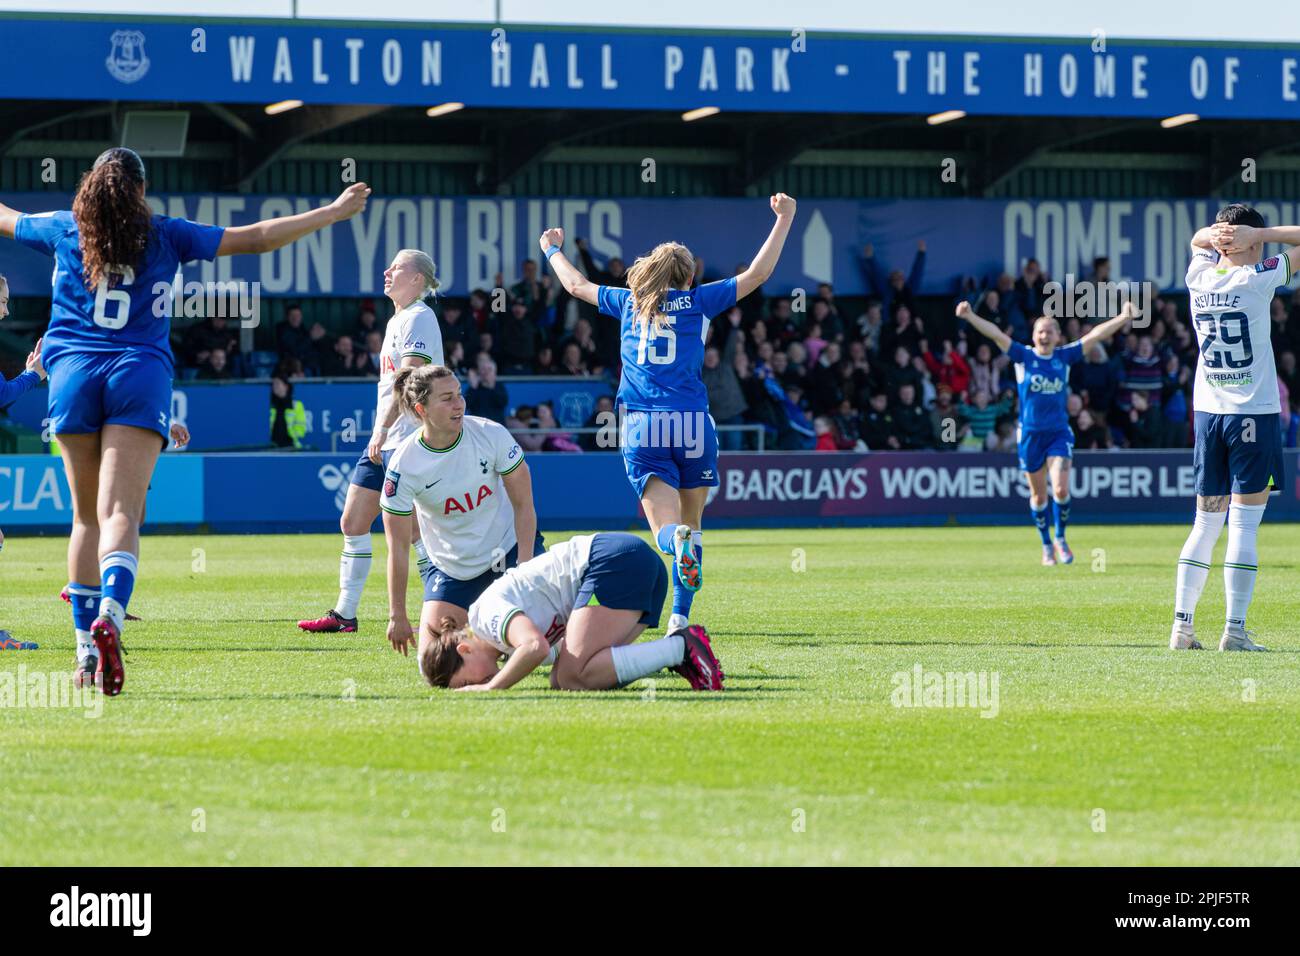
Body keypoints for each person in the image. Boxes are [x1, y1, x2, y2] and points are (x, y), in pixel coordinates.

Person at [0, 147, 370, 695]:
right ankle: (111, 615)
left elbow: (4, 218)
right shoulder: (168, 233)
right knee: (122, 510)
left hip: (73, 372)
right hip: (138, 373)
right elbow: (259, 236)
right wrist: (330, 213)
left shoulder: (62, 228)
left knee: (85, 520)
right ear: (141, 190)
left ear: (90, 188)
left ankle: (83, 654)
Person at [538, 194, 797, 632]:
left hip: (644, 423)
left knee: (667, 531)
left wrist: (552, 249)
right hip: (694, 424)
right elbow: (758, 273)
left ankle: (672, 546)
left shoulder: (628, 303)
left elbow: (576, 286)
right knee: (693, 527)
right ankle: (680, 619)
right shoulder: (700, 302)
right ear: (689, 275)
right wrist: (785, 218)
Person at [1169, 206, 1299, 652]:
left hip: (1208, 412)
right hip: (1255, 414)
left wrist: (1221, 236)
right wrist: (1256, 233)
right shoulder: (1258, 278)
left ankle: (1182, 628)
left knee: (1204, 524)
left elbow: (1196, 242)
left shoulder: (1197, 278)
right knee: (1243, 527)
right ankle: (1235, 631)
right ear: (1253, 242)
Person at [297, 249, 444, 634]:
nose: (386, 271)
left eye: (395, 267)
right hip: (387, 439)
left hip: (408, 439)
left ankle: (445, 609)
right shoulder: (400, 318)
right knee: (354, 520)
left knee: (415, 532)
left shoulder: (420, 318)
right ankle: (345, 615)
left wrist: (381, 430)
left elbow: (410, 381)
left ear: (417, 278)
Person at [417, 533, 723, 692]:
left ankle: (681, 647)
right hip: (633, 565)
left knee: (569, 677)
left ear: (465, 648)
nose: (476, 684)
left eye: (466, 682)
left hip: (614, 563)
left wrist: (492, 687)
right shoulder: (499, 641)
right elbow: (553, 652)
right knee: (575, 675)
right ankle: (681, 656)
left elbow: (535, 647)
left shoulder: (484, 617)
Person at [378, 364, 542, 657]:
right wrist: (397, 615)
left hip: (510, 552)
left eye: (459, 394)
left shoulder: (491, 434)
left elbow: (524, 505)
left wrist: (525, 572)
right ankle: (490, 634)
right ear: (421, 409)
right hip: (453, 571)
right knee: (434, 662)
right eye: (447, 398)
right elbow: (398, 548)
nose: (459, 404)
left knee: (547, 647)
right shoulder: (404, 465)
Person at [956, 297, 1134, 566]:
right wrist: (970, 316)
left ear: (1057, 336)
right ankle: (1046, 544)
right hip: (1030, 436)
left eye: (1050, 331)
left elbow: (1095, 335)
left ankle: (1061, 538)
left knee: (1061, 489)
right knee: (1039, 496)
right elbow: (995, 334)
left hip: (1058, 434)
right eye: (1041, 330)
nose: (1045, 335)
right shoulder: (1023, 356)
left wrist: (1122, 318)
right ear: (1034, 335)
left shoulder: (1064, 357)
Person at [269, 376, 307, 448]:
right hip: (272, 446)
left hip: (291, 446)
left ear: (286, 386)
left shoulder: (296, 405)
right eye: (273, 385)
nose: (275, 387)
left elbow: (301, 428)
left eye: (277, 384)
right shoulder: (270, 405)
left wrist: (291, 436)